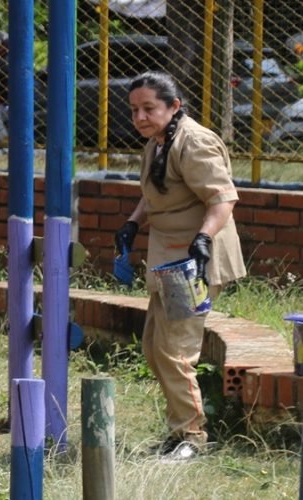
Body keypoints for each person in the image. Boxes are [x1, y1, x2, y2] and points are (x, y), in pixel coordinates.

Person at [115, 71, 246, 461]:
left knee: (174, 352)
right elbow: (155, 193)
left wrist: (204, 238)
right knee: (155, 351)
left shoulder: (194, 142)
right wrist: (133, 223)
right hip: (168, 261)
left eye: (149, 108)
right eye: (135, 109)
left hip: (193, 264)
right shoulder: (158, 141)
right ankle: (179, 433)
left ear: (174, 106)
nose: (139, 116)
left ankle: (193, 437)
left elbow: (222, 199)